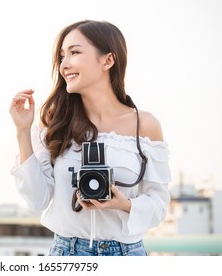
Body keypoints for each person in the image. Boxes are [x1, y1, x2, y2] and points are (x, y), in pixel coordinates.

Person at [9, 19, 171, 256]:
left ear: (108, 60)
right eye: (62, 56)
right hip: (67, 253)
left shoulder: (145, 125)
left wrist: (122, 204)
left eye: (74, 52)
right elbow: (37, 200)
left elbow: (159, 207)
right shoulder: (55, 122)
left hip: (127, 254)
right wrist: (23, 131)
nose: (64, 64)